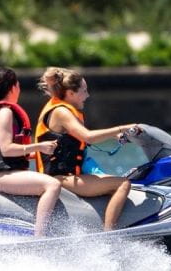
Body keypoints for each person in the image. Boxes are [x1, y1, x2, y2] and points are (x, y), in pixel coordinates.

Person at [35, 67, 138, 231]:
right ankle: (108, 236)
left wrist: (114, 136)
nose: (87, 95)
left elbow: (79, 139)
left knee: (113, 180)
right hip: (60, 177)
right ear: (70, 94)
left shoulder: (61, 108)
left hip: (68, 175)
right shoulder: (61, 112)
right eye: (84, 91)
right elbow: (88, 137)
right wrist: (122, 128)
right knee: (123, 184)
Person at [0, 68, 61, 237]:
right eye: (18, 84)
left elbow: (6, 153)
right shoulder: (5, 112)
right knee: (52, 185)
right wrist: (38, 147)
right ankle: (40, 237)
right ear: (14, 87)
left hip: (0, 171)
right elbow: (7, 149)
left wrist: (39, 153)